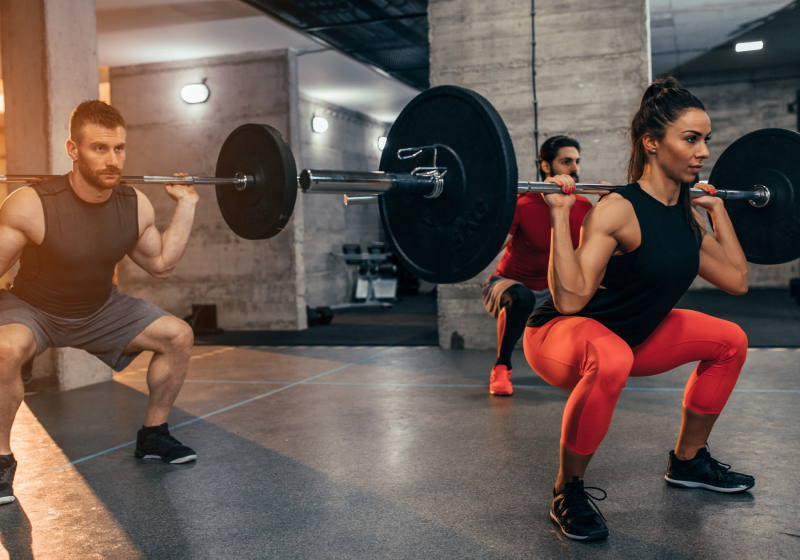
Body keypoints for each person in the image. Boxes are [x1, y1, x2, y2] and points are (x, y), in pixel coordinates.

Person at [524, 77, 754, 541]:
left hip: (634, 334)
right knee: (612, 357)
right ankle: (567, 489)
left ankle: (688, 461)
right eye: (690, 139)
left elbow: (737, 280)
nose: (703, 152)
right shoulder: (618, 209)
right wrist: (555, 213)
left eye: (705, 140)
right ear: (651, 143)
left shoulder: (685, 216)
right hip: (562, 334)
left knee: (731, 341)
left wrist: (718, 211)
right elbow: (570, 299)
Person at [0, 100, 199, 506]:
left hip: (98, 309)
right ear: (73, 150)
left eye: (119, 149)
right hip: (33, 308)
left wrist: (188, 204)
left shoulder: (133, 204)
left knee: (178, 335)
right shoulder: (32, 203)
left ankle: (154, 436)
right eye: (99, 149)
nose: (112, 160)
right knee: (4, 350)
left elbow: (160, 264)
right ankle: (0, 460)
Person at [482, 136, 592, 396]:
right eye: (566, 162)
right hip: (508, 287)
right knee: (521, 298)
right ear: (545, 166)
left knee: (593, 293)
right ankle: (501, 367)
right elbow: (486, 250)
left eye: (576, 161)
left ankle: (579, 367)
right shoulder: (523, 203)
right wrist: (495, 207)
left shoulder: (584, 206)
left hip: (553, 292)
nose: (574, 169)